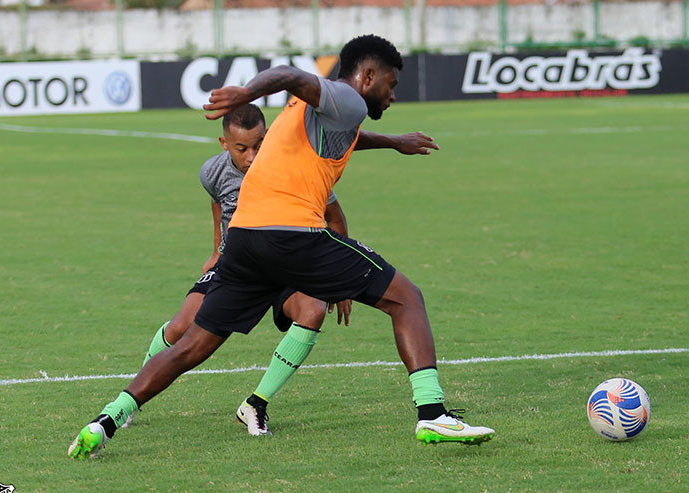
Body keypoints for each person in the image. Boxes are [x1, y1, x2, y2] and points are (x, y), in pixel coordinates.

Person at [69, 34, 494, 459]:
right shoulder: (349, 99)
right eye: (390, 82)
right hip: (292, 234)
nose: (393, 94)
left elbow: (348, 135)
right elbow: (290, 75)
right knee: (406, 298)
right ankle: (433, 414)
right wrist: (246, 92)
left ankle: (105, 420)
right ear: (368, 76)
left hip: (244, 239)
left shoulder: (322, 111)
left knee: (192, 346)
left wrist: (393, 141)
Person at [119, 105, 442, 436]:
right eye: (242, 148)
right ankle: (129, 401)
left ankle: (256, 404)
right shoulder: (212, 172)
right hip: (240, 266)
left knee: (313, 309)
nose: (252, 155)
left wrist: (339, 283)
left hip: (290, 261)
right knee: (182, 325)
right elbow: (218, 204)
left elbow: (335, 216)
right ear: (224, 144)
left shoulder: (292, 170)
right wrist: (217, 248)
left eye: (259, 144)